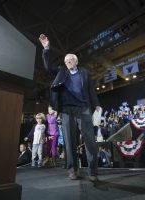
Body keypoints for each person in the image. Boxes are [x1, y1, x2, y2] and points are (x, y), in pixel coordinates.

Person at [39, 34, 101, 181]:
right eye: (66, 61)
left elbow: (91, 90)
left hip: (83, 108)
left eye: (70, 60)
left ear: (76, 61)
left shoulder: (84, 73)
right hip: (67, 110)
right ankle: (72, 170)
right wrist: (46, 48)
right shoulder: (62, 72)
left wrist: (97, 104)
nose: (68, 62)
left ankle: (93, 171)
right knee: (69, 141)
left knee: (90, 140)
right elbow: (48, 67)